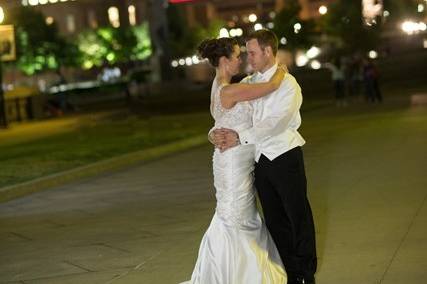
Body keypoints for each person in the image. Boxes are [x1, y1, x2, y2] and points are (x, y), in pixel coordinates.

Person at [210, 30, 317, 284]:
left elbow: (275, 124)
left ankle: (307, 272)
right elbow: (224, 112)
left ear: (268, 51)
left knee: (297, 216)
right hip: (259, 162)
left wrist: (239, 137)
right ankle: (290, 272)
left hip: (285, 156)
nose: (249, 58)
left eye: (253, 52)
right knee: (274, 221)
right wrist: (214, 134)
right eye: (246, 53)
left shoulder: (289, 84)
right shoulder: (249, 82)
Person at [181, 37, 288, 284]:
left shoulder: (220, 86)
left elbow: (219, 123)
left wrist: (212, 134)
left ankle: (230, 271)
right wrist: (281, 69)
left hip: (233, 160)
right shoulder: (229, 90)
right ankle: (239, 274)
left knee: (236, 213)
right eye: (237, 55)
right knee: (235, 215)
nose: (241, 60)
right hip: (232, 165)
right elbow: (271, 86)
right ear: (224, 60)